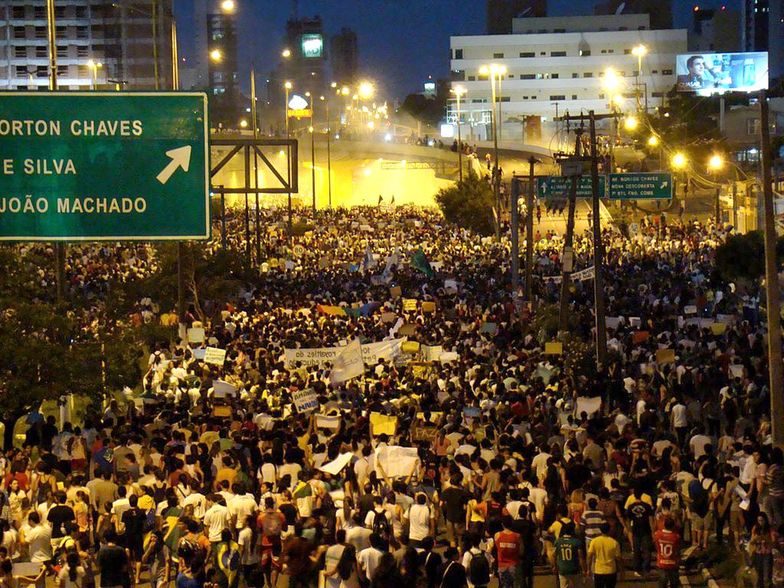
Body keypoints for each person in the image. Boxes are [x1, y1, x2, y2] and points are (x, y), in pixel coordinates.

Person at [587, 523, 622, 588]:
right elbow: (618, 558)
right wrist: (621, 570)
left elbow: (589, 556)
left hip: (598, 571)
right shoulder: (614, 542)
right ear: (609, 530)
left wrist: (588, 569)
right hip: (611, 570)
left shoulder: (594, 541)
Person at [494, 516, 522, 588]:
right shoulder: (517, 536)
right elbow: (521, 551)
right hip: (514, 565)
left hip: (502, 566)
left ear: (502, 524)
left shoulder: (497, 535)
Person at [554, 522, 585, 588]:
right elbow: (580, 557)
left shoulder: (558, 542)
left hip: (563, 569)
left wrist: (555, 567)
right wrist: (583, 569)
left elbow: (555, 556)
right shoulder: (576, 542)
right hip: (574, 569)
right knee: (578, 585)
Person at [654, 517, 681, 588]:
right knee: (674, 582)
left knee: (662, 582)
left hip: (661, 562)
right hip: (672, 562)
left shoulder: (657, 534)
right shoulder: (676, 536)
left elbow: (656, 546)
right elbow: (677, 550)